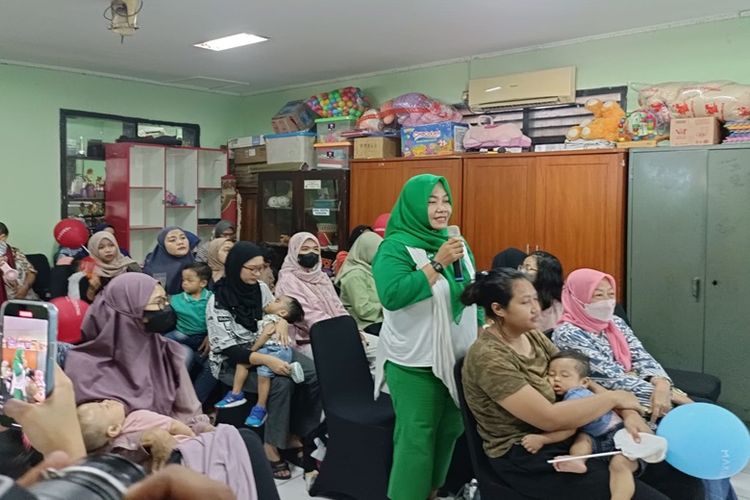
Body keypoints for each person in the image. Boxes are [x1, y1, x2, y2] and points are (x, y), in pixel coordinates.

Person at [461, 267, 704, 500]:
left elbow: (579, 379)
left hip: (575, 433)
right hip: (528, 452)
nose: (536, 308)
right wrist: (614, 397)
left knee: (683, 480)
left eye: (535, 299)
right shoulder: (489, 357)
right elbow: (548, 418)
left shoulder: (531, 335)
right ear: (498, 309)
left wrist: (627, 413)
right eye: (525, 302)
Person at [372, 174, 479, 500]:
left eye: (445, 200)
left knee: (450, 429)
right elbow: (393, 295)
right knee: (416, 437)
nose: (441, 208)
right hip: (414, 360)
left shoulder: (455, 242)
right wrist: (437, 263)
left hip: (457, 356)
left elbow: (470, 292)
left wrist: (483, 326)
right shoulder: (395, 247)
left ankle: (431, 491)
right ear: (414, 206)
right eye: (431, 202)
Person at [205, 241, 322, 480]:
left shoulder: (260, 288)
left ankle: (296, 432)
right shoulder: (218, 301)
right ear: (236, 266)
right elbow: (230, 350)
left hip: (268, 347)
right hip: (233, 362)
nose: (258, 274)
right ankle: (271, 445)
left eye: (261, 268)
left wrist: (282, 322)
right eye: (252, 269)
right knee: (281, 383)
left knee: (314, 373)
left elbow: (274, 311)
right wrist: (268, 361)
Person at [63, 273, 210, 430]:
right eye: (158, 302)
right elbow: (90, 431)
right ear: (129, 311)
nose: (166, 307)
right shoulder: (82, 367)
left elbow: (190, 413)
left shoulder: (169, 353)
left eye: (165, 300)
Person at [553, 269, 693, 421]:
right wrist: (670, 395)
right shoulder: (568, 333)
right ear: (577, 298)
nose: (607, 301)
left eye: (611, 294)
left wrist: (662, 384)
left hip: (647, 390)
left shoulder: (614, 322)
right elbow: (610, 378)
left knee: (701, 413)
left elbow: (640, 355)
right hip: (617, 401)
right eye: (598, 295)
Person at [523, 350, 638, 500]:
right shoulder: (571, 396)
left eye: (565, 375)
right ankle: (578, 459)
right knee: (583, 439)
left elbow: (568, 429)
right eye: (551, 374)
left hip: (620, 434)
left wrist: (542, 439)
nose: (556, 379)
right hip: (596, 436)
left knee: (620, 465)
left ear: (584, 382)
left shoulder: (576, 396)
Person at [213, 294, 305, 428]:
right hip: (273, 349)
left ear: (282, 312)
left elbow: (265, 335)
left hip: (275, 349)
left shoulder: (273, 319)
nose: (271, 301)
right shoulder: (270, 317)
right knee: (243, 363)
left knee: (263, 375)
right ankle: (236, 394)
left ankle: (260, 407)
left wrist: (252, 350)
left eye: (277, 301)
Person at [274, 232, 356, 359]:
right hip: (307, 340)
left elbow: (338, 306)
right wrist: (340, 333)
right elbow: (306, 316)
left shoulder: (321, 277)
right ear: (294, 251)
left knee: (375, 347)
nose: (311, 253)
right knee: (346, 356)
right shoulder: (288, 280)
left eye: (316, 249)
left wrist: (351, 330)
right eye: (305, 249)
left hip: (336, 332)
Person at [76, 400, 195, 453]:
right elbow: (174, 426)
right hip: (185, 447)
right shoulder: (137, 418)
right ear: (114, 429)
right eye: (105, 406)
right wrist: (193, 435)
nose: (107, 400)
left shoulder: (105, 452)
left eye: (100, 402)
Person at [335, 230, 384, 332]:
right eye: (378, 251)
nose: (382, 255)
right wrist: (386, 307)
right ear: (366, 251)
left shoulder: (370, 269)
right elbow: (363, 310)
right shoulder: (354, 275)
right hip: (365, 326)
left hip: (380, 321)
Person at [166, 263, 213, 369]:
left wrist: (210, 335)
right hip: (183, 334)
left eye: (189, 280)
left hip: (204, 337)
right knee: (163, 340)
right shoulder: (176, 299)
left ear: (203, 283)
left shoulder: (212, 298)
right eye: (183, 280)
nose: (184, 283)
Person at [85, 230, 142, 301]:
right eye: (101, 247)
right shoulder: (89, 272)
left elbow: (144, 291)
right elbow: (85, 303)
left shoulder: (130, 266)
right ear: (93, 250)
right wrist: (92, 289)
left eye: (111, 245)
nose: (108, 250)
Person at [143, 227, 198, 295]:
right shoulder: (152, 267)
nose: (180, 242)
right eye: (172, 240)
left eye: (183, 238)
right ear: (163, 245)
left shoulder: (195, 264)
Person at [520, 250, 564, 332]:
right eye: (521, 267)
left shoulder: (559, 307)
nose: (521, 271)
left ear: (544, 274)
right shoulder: (518, 298)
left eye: (528, 268)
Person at [0, 222, 38, 301]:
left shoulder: (15, 252)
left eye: (3, 237)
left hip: (25, 296)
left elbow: (31, 272)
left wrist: (25, 287)